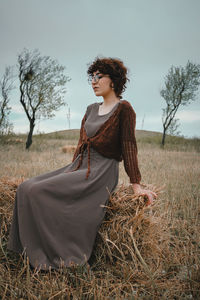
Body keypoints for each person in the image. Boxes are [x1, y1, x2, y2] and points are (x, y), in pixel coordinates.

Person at [8, 57, 157, 270]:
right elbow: (80, 147)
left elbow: (129, 147)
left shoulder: (124, 109)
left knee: (36, 191)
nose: (93, 81)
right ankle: (26, 251)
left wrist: (137, 186)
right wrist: (67, 176)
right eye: (92, 77)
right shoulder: (90, 109)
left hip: (101, 173)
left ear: (113, 81)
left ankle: (52, 256)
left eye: (99, 76)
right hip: (79, 167)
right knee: (25, 188)